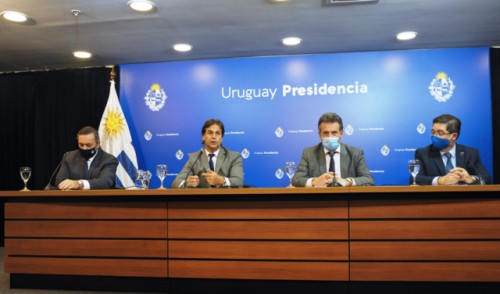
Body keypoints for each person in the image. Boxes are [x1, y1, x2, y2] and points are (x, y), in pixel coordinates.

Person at [291, 112, 374, 187]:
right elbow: (296, 179)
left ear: (341, 133)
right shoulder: (309, 153)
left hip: (347, 199)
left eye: (334, 132)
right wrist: (314, 181)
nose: (330, 137)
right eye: (326, 133)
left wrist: (348, 182)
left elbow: (368, 180)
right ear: (319, 134)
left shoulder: (355, 153)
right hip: (318, 200)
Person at [413, 114, 491, 185]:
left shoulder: (470, 153)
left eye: (440, 133)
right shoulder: (423, 153)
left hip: (464, 198)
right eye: (433, 132)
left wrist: (470, 179)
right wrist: (439, 180)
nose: (435, 136)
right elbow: (415, 179)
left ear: (454, 136)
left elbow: (486, 179)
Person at [171, 119, 244, 188]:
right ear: (203, 136)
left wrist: (222, 180)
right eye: (210, 133)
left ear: (222, 138)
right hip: (202, 200)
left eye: (217, 133)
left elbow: (239, 182)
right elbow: (175, 183)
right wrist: (187, 182)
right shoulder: (194, 158)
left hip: (226, 200)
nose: (214, 136)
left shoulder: (233, 157)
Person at [55, 126, 118, 190]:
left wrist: (79, 184)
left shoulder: (109, 160)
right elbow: (59, 181)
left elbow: (105, 182)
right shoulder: (69, 157)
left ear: (98, 144)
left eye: (88, 145)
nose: (84, 148)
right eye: (81, 145)